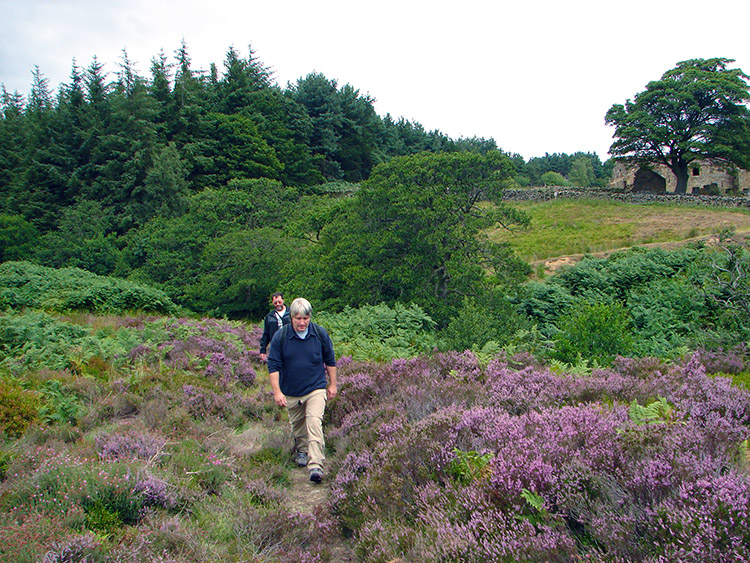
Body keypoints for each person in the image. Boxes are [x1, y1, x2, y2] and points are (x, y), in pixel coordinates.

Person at [267, 297, 337, 483]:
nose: (302, 322)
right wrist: (277, 392)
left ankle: (316, 466)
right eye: (298, 318)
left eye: (305, 318)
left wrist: (333, 384)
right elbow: (273, 365)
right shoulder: (281, 337)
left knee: (314, 423)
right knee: (298, 427)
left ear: (310, 317)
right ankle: (302, 451)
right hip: (291, 390)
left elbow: (330, 360)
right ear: (291, 318)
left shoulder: (319, 334)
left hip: (315, 388)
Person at [259, 292, 290, 362]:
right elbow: (266, 334)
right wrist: (263, 350)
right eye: (275, 303)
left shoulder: (292, 313)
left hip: (290, 345)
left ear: (283, 300)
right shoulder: (269, 316)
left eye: (279, 302)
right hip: (276, 346)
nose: (278, 304)